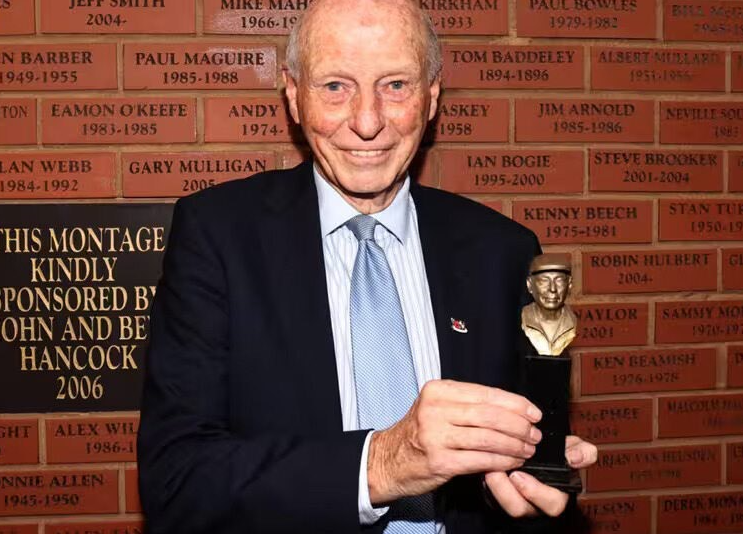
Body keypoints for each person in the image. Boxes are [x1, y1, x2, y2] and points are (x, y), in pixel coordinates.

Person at [137, 0, 597, 532]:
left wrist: (524, 475)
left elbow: (511, 475)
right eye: (336, 86)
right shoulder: (217, 236)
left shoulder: (504, 251)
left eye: (395, 85)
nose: (367, 122)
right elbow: (176, 482)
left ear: (431, 97)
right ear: (293, 95)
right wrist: (383, 465)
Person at [521, 254, 577, 356]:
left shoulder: (571, 323)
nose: (552, 289)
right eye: (544, 281)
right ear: (529, 285)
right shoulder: (524, 318)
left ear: (569, 285)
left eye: (559, 280)